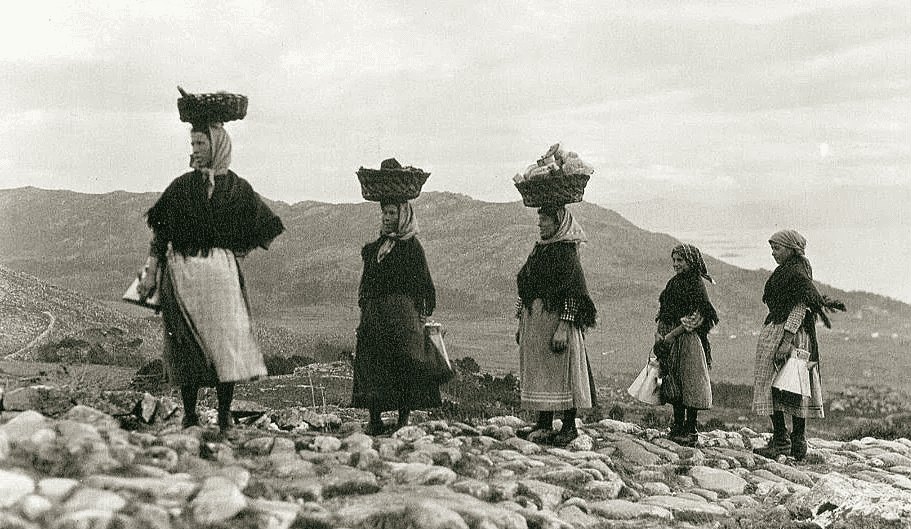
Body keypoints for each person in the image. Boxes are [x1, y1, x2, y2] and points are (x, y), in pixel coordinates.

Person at [137, 121, 284, 433]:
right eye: (192, 144)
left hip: (221, 277)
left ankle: (224, 412)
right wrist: (150, 271)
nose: (194, 151)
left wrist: (235, 250)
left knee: (225, 343)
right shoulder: (181, 187)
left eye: (200, 144)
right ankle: (190, 414)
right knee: (185, 344)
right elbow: (160, 234)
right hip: (183, 275)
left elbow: (267, 224)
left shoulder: (237, 189)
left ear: (217, 146)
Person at [753, 229, 845, 461]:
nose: (773, 253)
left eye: (777, 248)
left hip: (790, 334)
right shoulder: (790, 269)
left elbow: (800, 306)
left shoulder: (796, 272)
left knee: (787, 385)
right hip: (783, 330)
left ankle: (785, 441)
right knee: (787, 386)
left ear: (792, 249)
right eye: (772, 248)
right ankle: (793, 441)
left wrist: (786, 341)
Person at [351, 201, 439, 435]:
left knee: (403, 363)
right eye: (384, 212)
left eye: (392, 213)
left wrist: (421, 312)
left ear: (403, 217)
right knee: (373, 363)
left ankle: (403, 419)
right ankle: (374, 419)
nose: (386, 217)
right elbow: (367, 282)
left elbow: (424, 282)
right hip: (375, 316)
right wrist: (365, 310)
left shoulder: (412, 247)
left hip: (402, 317)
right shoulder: (377, 247)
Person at [515, 204, 597, 447]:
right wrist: (521, 322)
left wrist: (563, 327)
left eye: (545, 220)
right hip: (536, 322)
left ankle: (569, 427)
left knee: (564, 373)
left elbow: (573, 292)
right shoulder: (540, 250)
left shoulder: (566, 253)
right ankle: (543, 423)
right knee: (543, 373)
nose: (539, 224)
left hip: (557, 322)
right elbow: (526, 287)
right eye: (539, 219)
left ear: (559, 223)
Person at [653, 244, 719, 447]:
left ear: (691, 262)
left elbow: (696, 317)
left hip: (687, 340)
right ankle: (678, 426)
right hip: (670, 340)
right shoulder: (674, 283)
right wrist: (659, 334)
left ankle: (691, 430)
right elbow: (664, 310)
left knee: (690, 383)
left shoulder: (695, 285)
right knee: (674, 382)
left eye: (680, 260)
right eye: (674, 260)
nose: (675, 264)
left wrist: (671, 335)